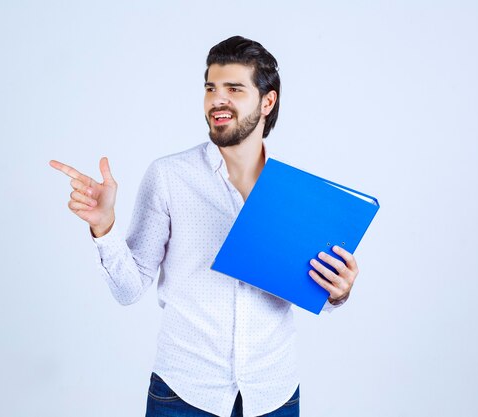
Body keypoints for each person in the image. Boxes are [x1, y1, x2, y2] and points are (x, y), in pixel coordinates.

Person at [50, 35, 359, 417]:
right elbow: (129, 290)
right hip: (183, 394)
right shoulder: (169, 176)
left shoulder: (297, 196)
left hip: (274, 394)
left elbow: (314, 289)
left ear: (268, 101)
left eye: (234, 88)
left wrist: (338, 291)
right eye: (211, 88)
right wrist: (105, 227)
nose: (217, 100)